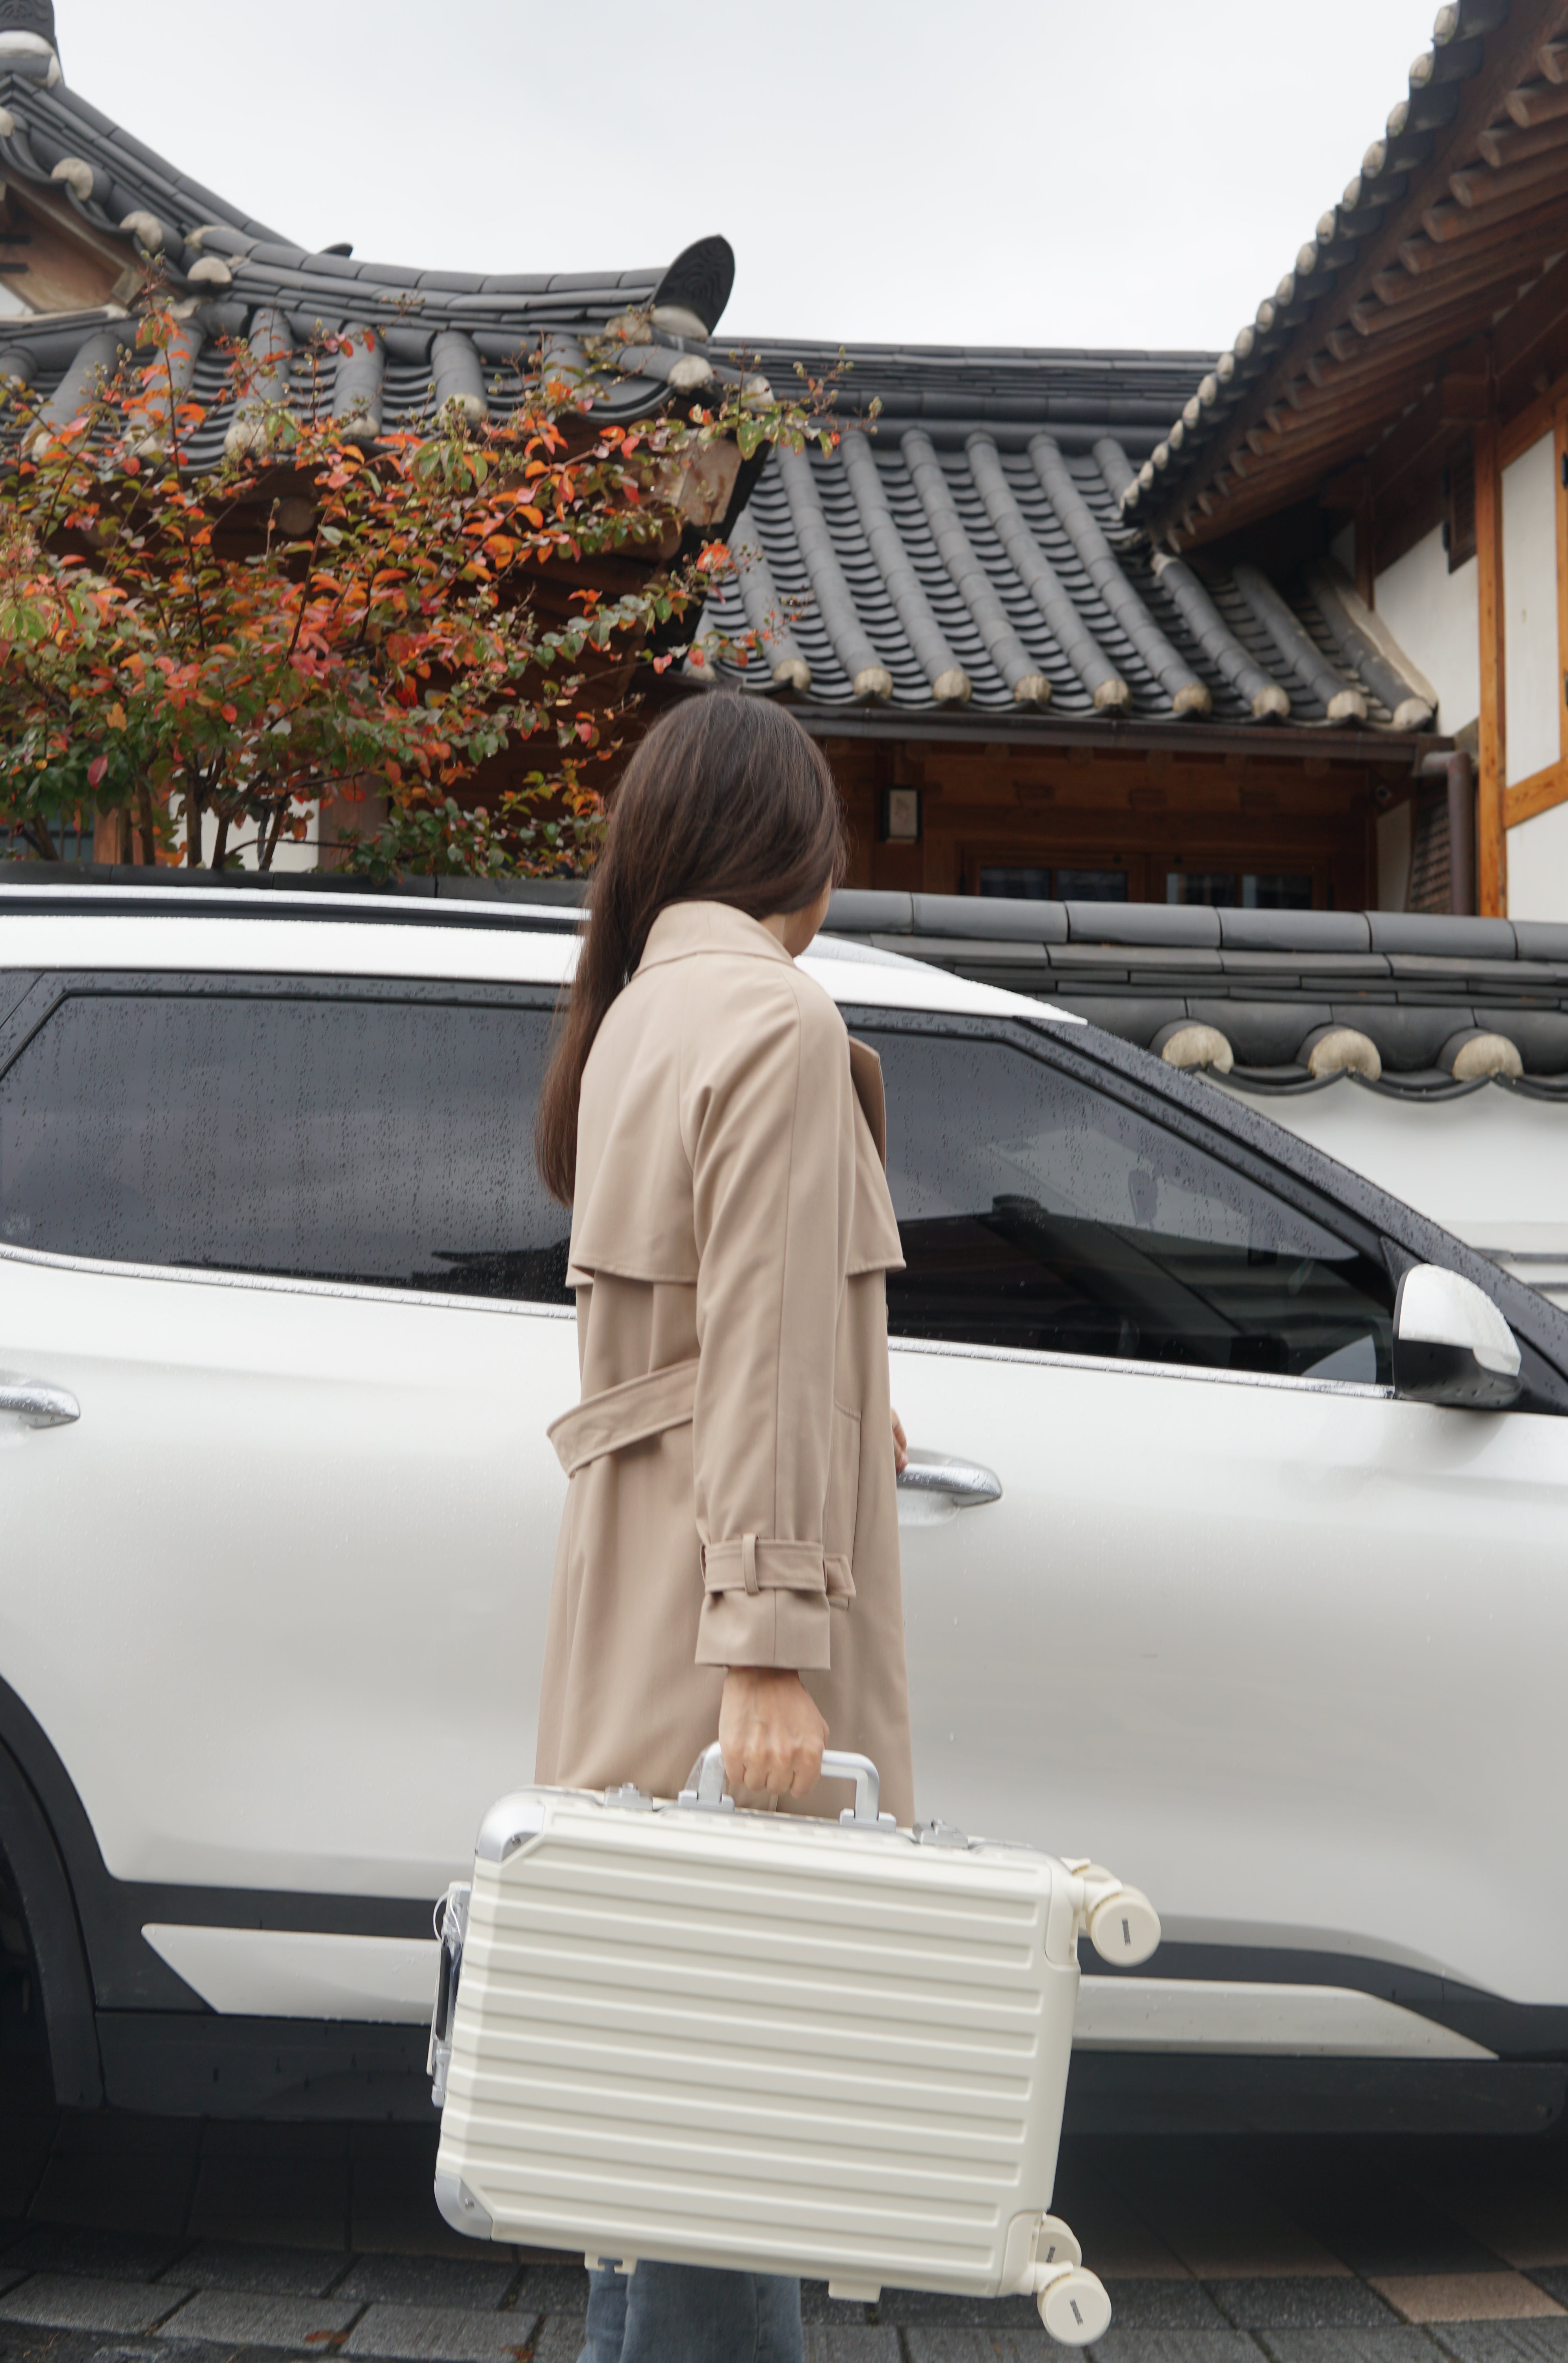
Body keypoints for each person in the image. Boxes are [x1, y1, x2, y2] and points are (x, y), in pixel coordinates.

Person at [534, 691, 914, 2363]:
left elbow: (722, 1327)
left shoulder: (635, 1016)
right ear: (806, 864)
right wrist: (768, 1648)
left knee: (658, 2116)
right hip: (721, 1628)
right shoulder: (772, 1024)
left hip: (637, 1595)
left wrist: (854, 1388)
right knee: (739, 2125)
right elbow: (756, 1343)